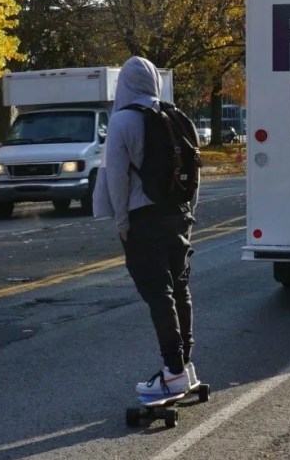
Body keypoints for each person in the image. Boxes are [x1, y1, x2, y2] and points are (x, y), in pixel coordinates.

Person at [93, 56, 200, 397]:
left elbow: (116, 180)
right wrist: (190, 212)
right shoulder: (178, 117)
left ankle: (172, 370)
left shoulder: (122, 122)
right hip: (179, 216)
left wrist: (122, 222)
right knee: (180, 290)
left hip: (144, 220)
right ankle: (185, 365)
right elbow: (194, 173)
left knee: (159, 295)